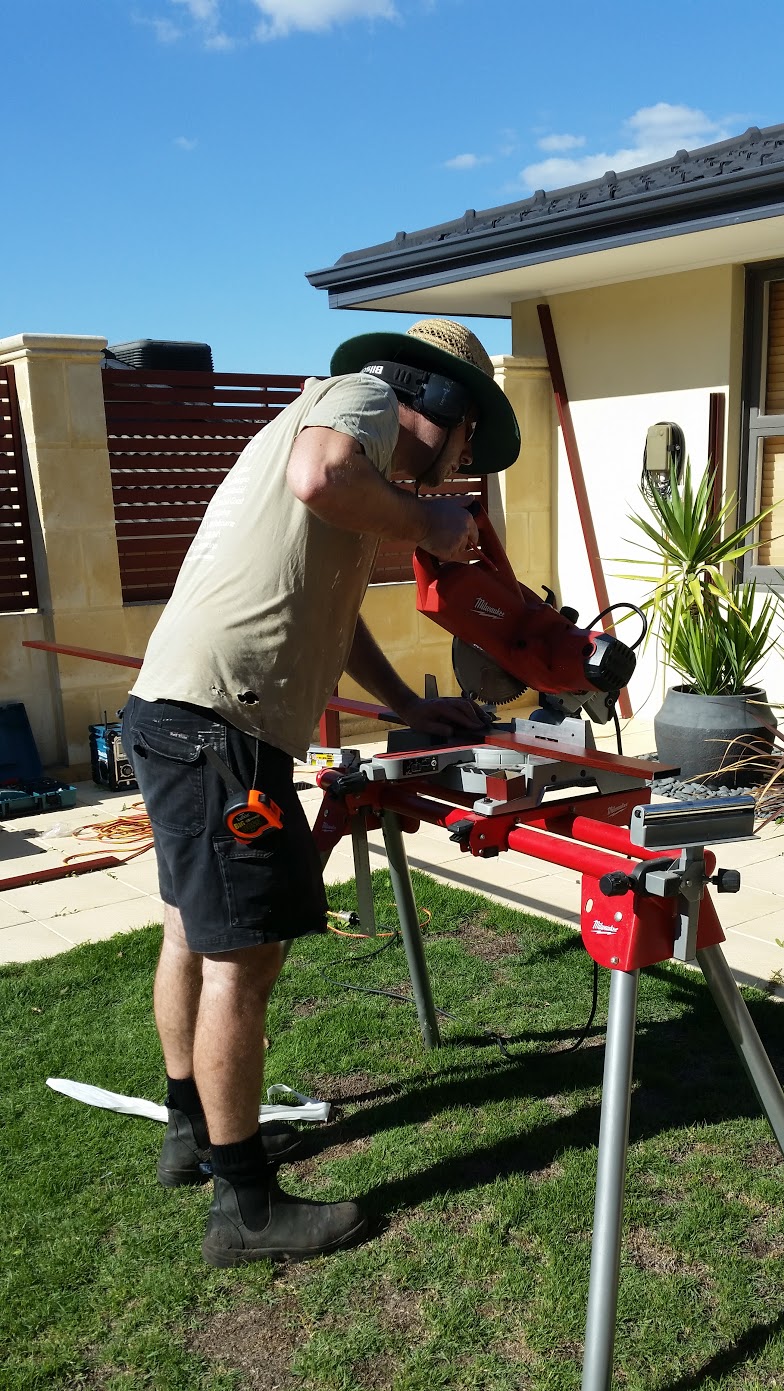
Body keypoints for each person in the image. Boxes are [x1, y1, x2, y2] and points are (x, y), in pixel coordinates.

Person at [121, 318, 521, 1268]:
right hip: (221, 728)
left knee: (191, 931)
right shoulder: (363, 401)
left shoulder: (353, 481)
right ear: (444, 404)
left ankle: (193, 1133)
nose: (460, 467)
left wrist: (410, 709)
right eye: (468, 441)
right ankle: (247, 1210)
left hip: (181, 714)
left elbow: (336, 621)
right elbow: (320, 475)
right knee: (243, 961)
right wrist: (430, 525)